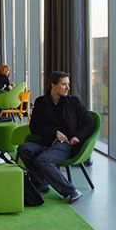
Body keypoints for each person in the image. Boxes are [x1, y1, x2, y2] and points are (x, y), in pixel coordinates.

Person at [17, 71, 95, 204]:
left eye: (68, 84)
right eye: (64, 84)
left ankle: (71, 191)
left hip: (64, 144)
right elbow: (34, 127)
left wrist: (77, 137)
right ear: (53, 85)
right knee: (23, 149)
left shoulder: (73, 102)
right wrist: (54, 132)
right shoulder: (41, 102)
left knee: (43, 160)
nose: (67, 88)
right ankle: (41, 183)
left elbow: (90, 121)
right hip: (45, 141)